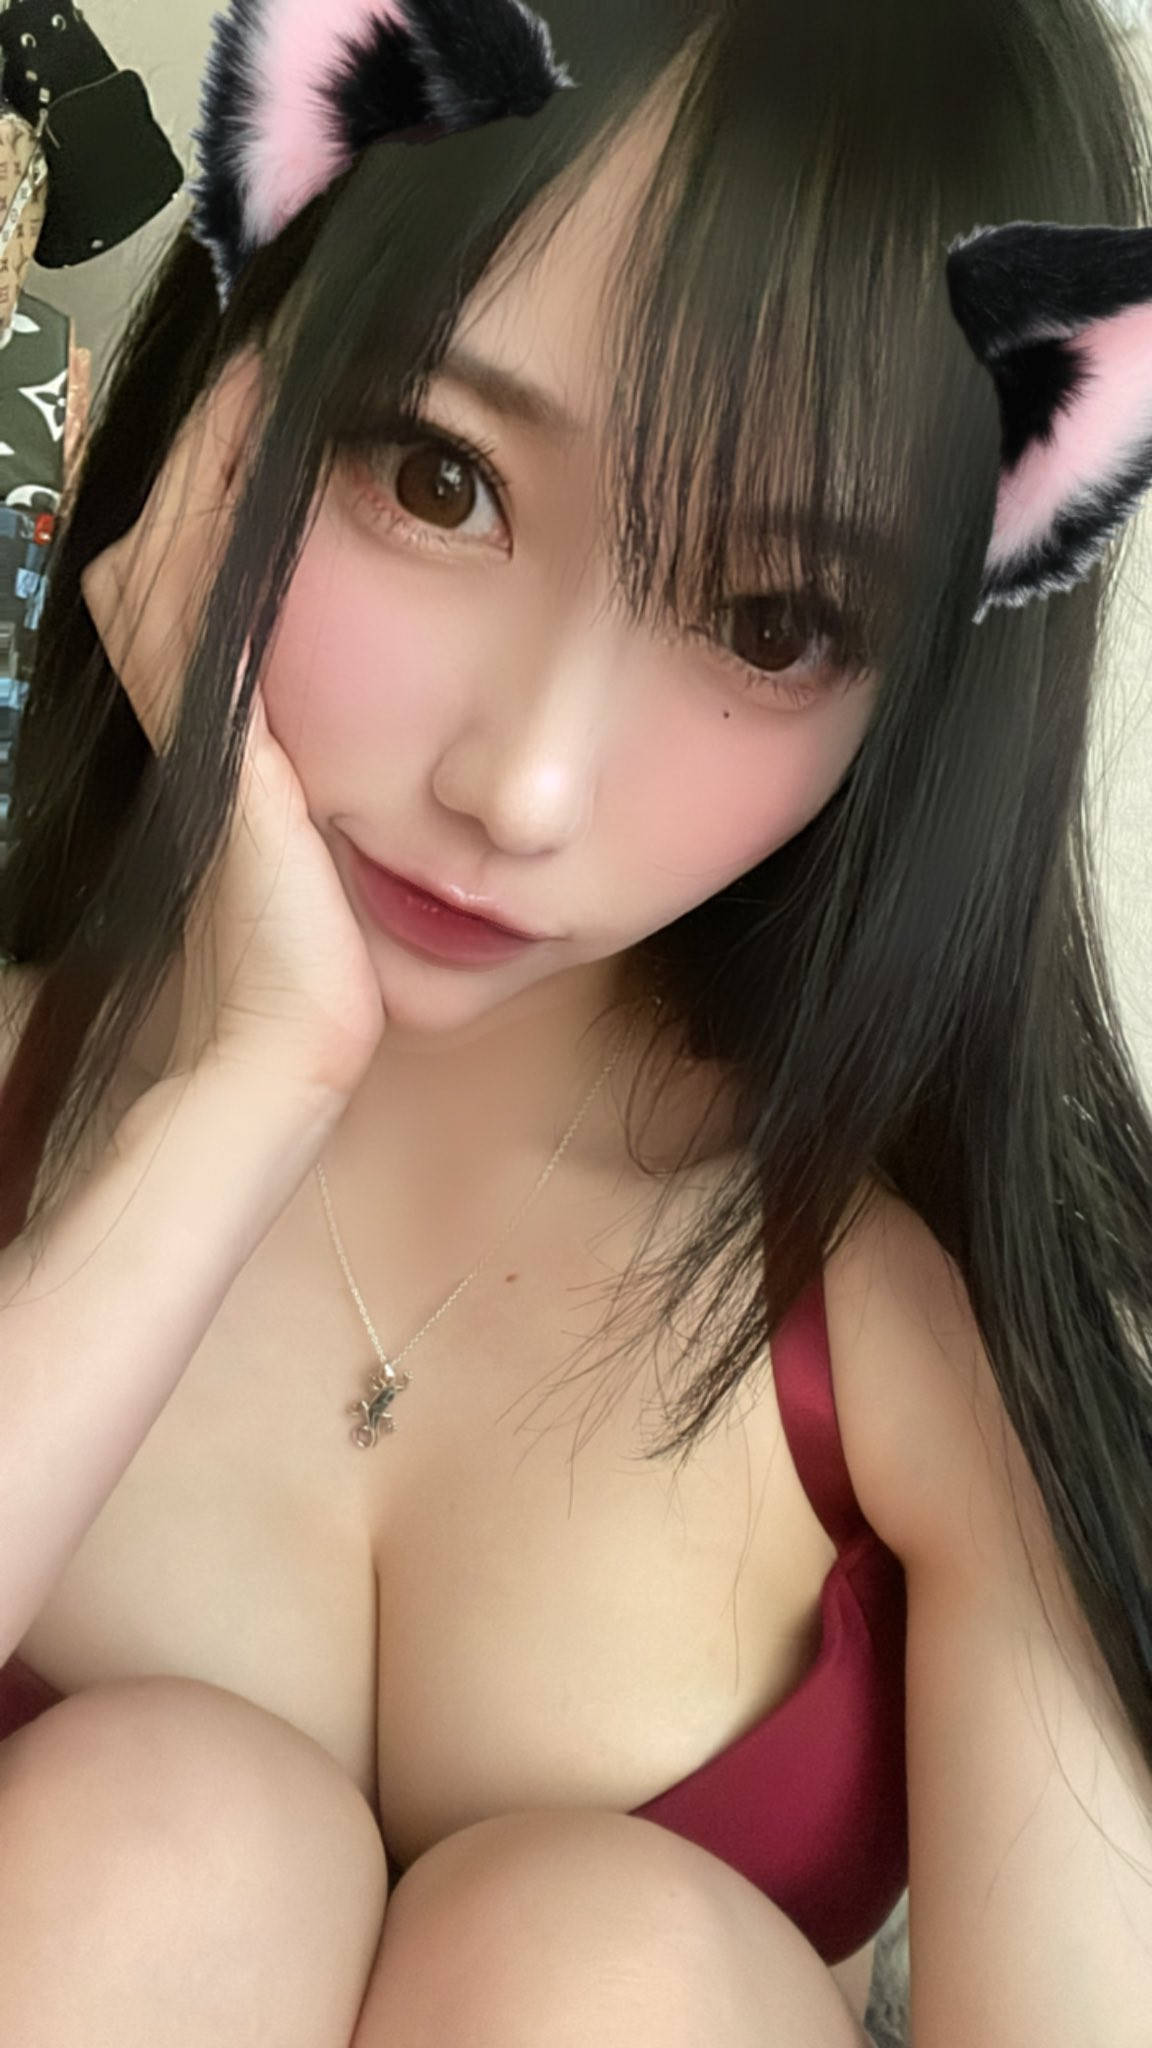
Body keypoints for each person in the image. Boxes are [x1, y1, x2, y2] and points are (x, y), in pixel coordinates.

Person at [0, 1, 1149, 2043]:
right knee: (169, 1841)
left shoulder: (948, 1352)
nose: (523, 785)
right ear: (232, 395)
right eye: (437, 476)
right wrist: (238, 1089)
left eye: (775, 620)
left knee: (599, 1963)